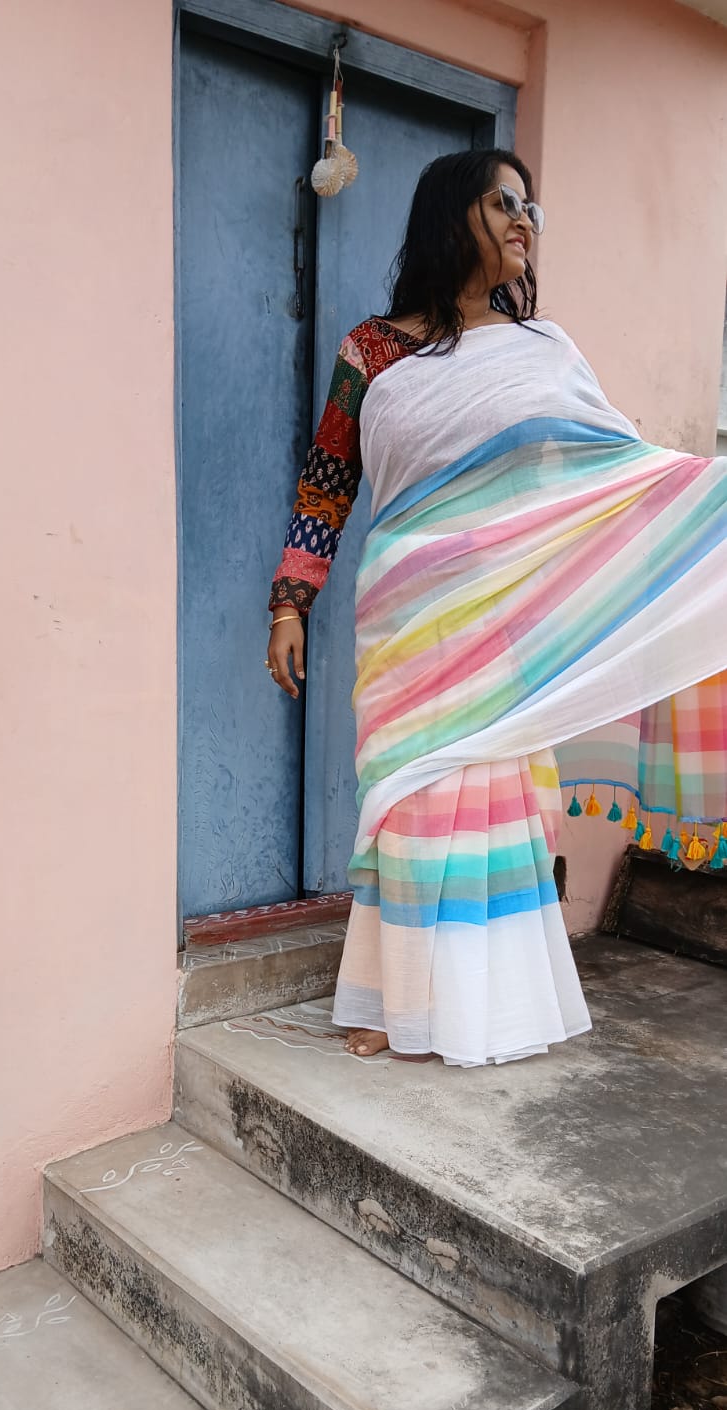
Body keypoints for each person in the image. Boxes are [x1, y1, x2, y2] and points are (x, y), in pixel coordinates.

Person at [265, 149, 727, 1068]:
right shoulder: (373, 349)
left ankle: (493, 1002)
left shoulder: (542, 350)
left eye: (531, 208)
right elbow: (327, 485)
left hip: (500, 613)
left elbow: (613, 470)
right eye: (501, 203)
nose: (524, 221)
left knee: (486, 798)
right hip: (406, 611)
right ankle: (391, 997)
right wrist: (290, 603)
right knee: (405, 796)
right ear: (451, 219)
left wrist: (701, 503)